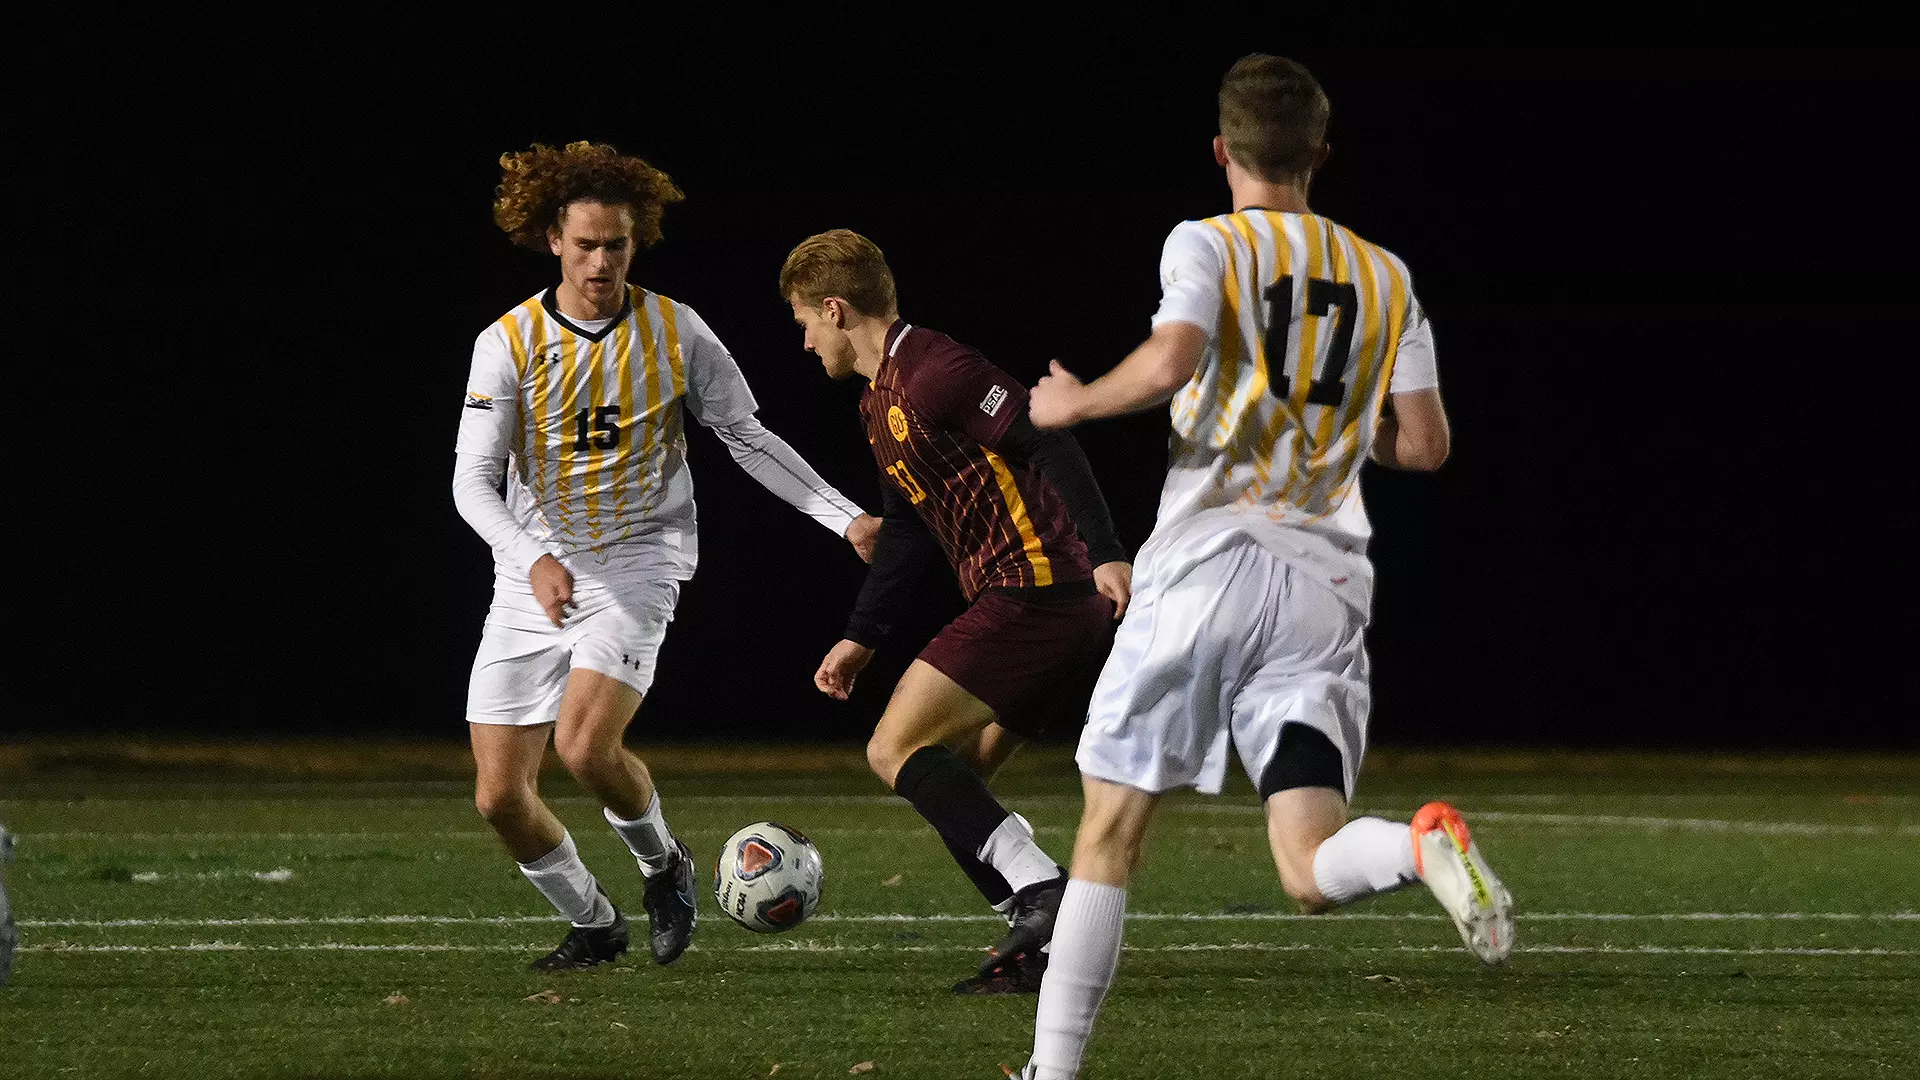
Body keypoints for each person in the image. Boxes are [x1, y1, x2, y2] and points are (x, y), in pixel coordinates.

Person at [1012, 56, 1515, 1078]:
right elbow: (1423, 447)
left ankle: (1052, 1075)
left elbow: (1170, 359)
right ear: (1320, 155)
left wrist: (1073, 405)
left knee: (1108, 832)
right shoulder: (1386, 273)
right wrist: (1336, 426)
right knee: (1309, 864)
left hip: (1209, 565)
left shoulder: (1207, 241)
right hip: (1324, 590)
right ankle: (1421, 850)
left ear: (1222, 152)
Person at [455, 143, 878, 972]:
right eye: (585, 245)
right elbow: (472, 481)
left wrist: (844, 518)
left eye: (616, 244)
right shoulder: (506, 342)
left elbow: (745, 437)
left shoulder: (676, 330)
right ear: (552, 241)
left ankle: (664, 868)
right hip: (533, 573)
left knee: (583, 747)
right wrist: (532, 557)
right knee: (500, 796)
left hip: (638, 562)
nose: (602, 260)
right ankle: (593, 921)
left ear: (635, 241)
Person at [780, 230, 1132, 994]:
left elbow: (1047, 439)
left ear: (837, 310)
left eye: (806, 322)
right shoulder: (878, 402)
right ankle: (1037, 951)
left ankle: (1045, 897)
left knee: (893, 747)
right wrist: (859, 639)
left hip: (1039, 589)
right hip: (1037, 600)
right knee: (954, 782)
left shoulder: (937, 367)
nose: (806, 343)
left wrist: (1106, 550)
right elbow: (907, 530)